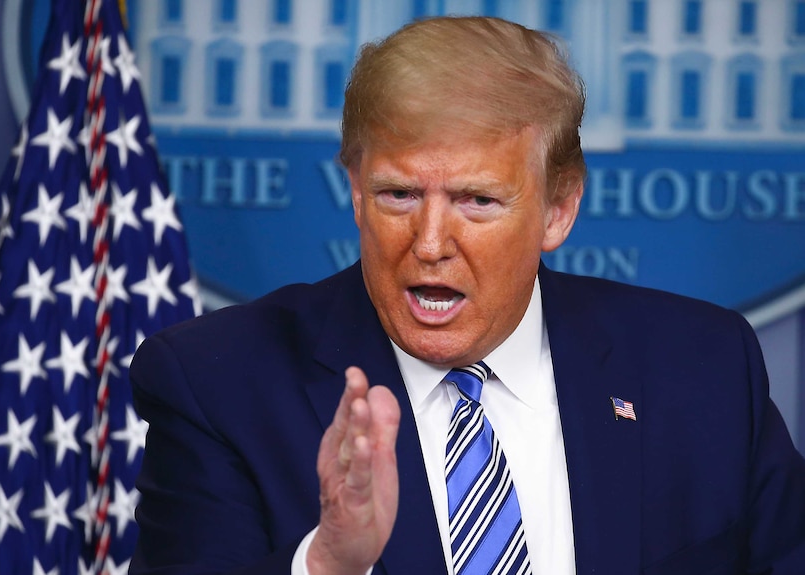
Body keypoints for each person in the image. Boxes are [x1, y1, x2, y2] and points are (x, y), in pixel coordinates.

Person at [128, 16, 805, 575]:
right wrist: (328, 560)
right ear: (355, 190)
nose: (428, 243)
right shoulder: (218, 382)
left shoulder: (703, 368)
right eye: (398, 194)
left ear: (558, 208)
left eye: (476, 200)